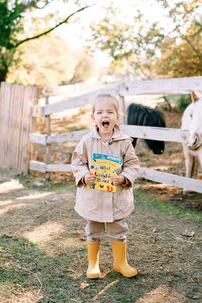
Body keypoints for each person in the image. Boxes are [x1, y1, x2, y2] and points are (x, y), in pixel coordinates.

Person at [71, 93, 140, 279]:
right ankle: (93, 264)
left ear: (117, 117)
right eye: (100, 112)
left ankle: (120, 263)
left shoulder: (125, 142)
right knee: (93, 228)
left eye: (110, 112)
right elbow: (77, 163)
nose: (105, 116)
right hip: (93, 196)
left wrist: (124, 177)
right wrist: (85, 176)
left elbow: (132, 164)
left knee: (118, 226)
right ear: (93, 118)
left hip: (116, 195)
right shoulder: (87, 141)